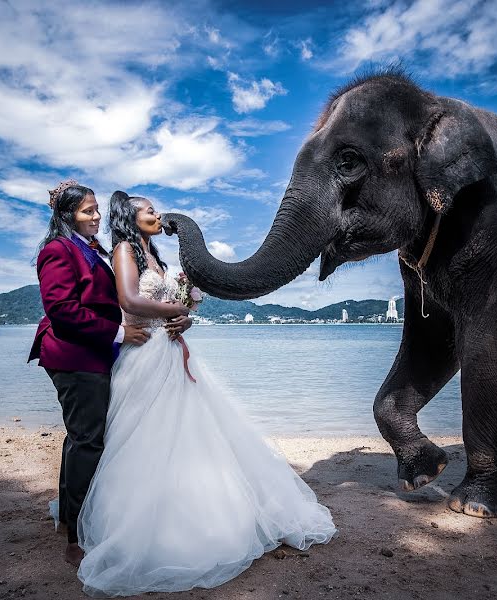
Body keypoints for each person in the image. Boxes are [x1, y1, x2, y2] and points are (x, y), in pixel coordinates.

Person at [74, 191, 336, 597]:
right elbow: (129, 300)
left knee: (192, 437)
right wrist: (175, 312)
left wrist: (185, 317)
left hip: (172, 351)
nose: (158, 216)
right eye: (150, 211)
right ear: (131, 217)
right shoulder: (124, 250)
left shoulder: (157, 259)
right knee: (147, 441)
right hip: (144, 355)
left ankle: (205, 514)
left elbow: (166, 301)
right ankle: (146, 528)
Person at [28, 180, 180, 566]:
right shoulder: (57, 249)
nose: (97, 217)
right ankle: (77, 537)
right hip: (73, 355)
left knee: (80, 438)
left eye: (97, 209)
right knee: (89, 440)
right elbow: (62, 310)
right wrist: (118, 333)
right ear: (67, 215)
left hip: (97, 353)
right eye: (87, 211)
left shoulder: (91, 248)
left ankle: (69, 518)